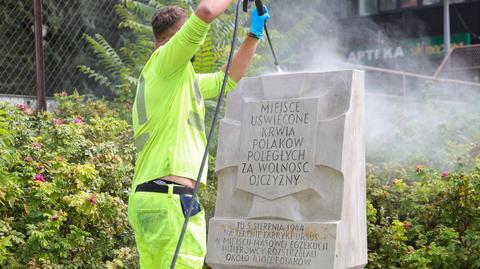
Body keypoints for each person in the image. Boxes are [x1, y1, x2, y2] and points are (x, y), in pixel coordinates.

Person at [127, 0, 270, 268]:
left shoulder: (177, 80)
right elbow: (206, 12)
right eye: (186, 34)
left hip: (154, 198)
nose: (195, 42)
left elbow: (224, 81)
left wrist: (254, 36)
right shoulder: (165, 61)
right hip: (170, 201)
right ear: (171, 39)